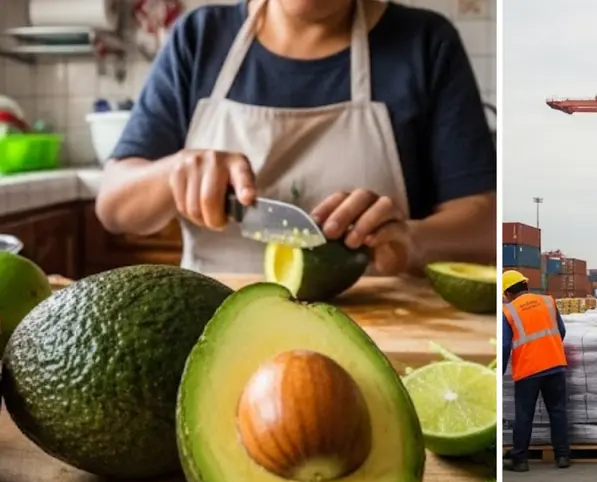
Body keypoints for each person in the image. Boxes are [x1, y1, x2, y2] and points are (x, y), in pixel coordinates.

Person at [95, 0, 496, 276]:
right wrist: (174, 172)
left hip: (382, 336)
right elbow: (113, 206)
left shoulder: (425, 43)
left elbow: (486, 227)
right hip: (209, 329)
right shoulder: (199, 39)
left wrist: (411, 241)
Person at [501, 270, 570, 472]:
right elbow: (562, 331)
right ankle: (563, 456)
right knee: (558, 411)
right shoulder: (548, 301)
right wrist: (550, 349)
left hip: (528, 370)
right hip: (555, 364)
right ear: (526, 285)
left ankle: (520, 460)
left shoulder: (509, 311)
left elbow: (505, 345)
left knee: (524, 416)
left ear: (507, 294)